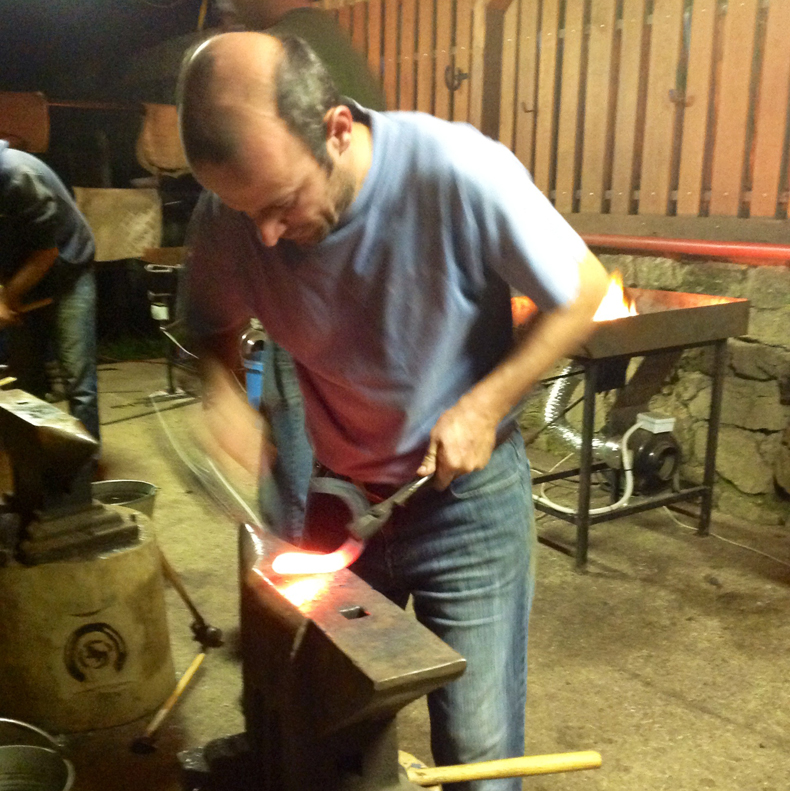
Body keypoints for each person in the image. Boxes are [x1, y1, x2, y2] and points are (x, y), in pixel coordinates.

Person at [178, 32, 608, 791]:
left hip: (464, 505)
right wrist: (225, 392)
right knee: (322, 724)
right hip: (337, 500)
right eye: (246, 213)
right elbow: (210, 325)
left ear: (338, 129)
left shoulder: (456, 170)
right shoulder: (229, 218)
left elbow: (583, 291)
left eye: (281, 204)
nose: (265, 235)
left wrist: (483, 406)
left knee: (478, 752)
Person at [216, 0, 386, 542]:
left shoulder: (281, 52)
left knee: (293, 427)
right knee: (303, 427)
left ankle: (289, 558)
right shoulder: (324, 38)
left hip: (320, 289)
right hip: (344, 289)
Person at [0, 141, 100, 441]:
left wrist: (6, 297)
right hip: (23, 276)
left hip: (68, 272)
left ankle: (84, 462)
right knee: (25, 379)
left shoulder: (19, 176)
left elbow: (45, 254)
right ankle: (37, 457)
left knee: (77, 381)